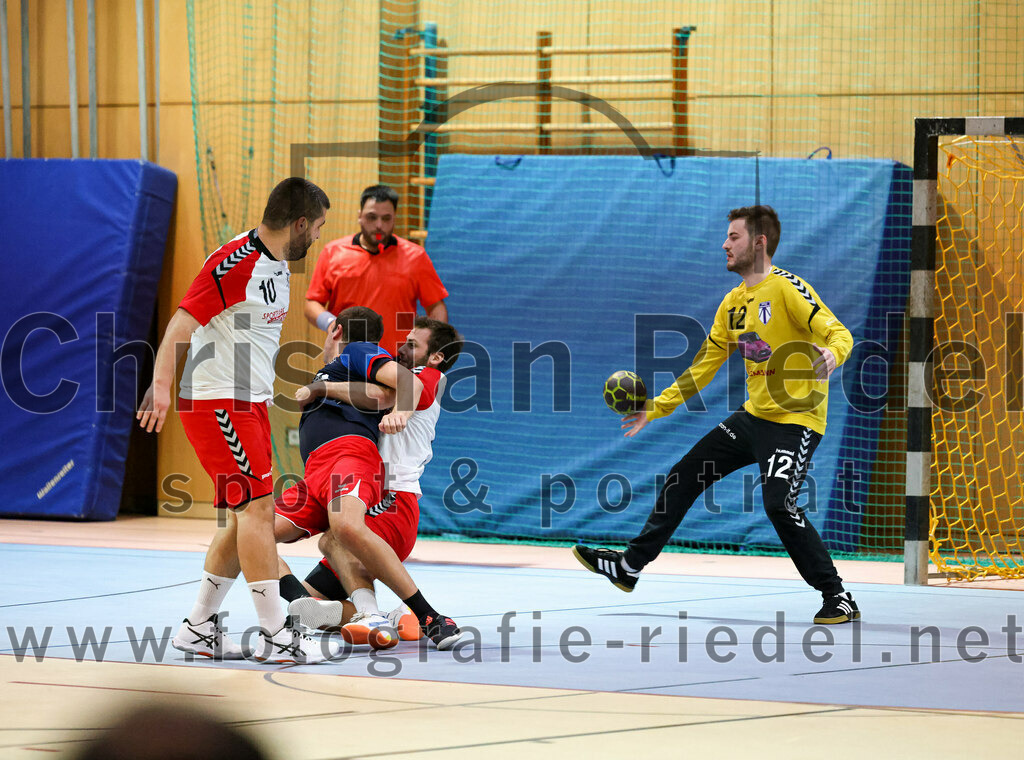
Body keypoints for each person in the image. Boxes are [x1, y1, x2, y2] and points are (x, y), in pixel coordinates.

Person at [573, 205, 861, 625]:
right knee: (683, 474)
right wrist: (656, 407)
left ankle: (838, 595)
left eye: (734, 237)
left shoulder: (787, 289)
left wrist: (832, 354)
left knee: (780, 504)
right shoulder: (732, 304)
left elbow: (839, 332)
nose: (724, 244)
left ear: (759, 243)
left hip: (795, 421)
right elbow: (704, 365)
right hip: (752, 418)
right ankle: (629, 567)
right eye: (726, 237)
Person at [137, 177, 337, 664]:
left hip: (250, 403)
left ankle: (198, 628)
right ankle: (276, 633)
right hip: (217, 402)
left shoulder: (278, 268)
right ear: (300, 223)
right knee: (257, 513)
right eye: (317, 230)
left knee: (243, 515)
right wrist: (160, 387)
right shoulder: (234, 262)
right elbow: (181, 324)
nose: (316, 239)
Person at [273, 307, 464, 650]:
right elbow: (357, 383)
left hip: (392, 497)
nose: (401, 349)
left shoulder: (428, 375)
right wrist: (329, 365)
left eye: (411, 344)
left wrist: (322, 388)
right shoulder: (382, 369)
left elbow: (406, 389)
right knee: (310, 611)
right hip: (364, 488)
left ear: (435, 356)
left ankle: (428, 617)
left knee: (334, 537)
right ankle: (389, 618)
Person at [304, 184, 449, 357]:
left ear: (395, 218)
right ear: (360, 216)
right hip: (346, 357)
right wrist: (331, 324)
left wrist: (429, 349)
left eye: (386, 218)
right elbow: (312, 304)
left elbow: (436, 307)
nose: (379, 225)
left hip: (399, 360)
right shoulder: (333, 252)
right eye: (371, 217)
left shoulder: (416, 256)